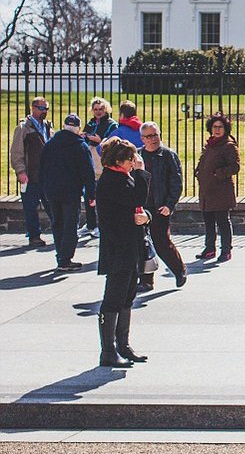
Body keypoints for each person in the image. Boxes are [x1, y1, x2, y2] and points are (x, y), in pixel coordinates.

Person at [96, 137, 151, 368]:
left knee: (127, 297)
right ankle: (108, 351)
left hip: (130, 246)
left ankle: (123, 345)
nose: (134, 161)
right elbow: (137, 198)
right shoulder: (111, 180)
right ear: (118, 160)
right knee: (113, 299)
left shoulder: (123, 178)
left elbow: (139, 206)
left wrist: (147, 216)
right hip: (118, 248)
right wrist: (141, 173)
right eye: (130, 158)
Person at [39, 113, 96, 272]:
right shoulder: (80, 146)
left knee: (57, 223)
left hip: (52, 190)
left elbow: (42, 168)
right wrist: (91, 194)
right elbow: (88, 173)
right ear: (78, 128)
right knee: (70, 225)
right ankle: (65, 259)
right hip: (71, 192)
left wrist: (44, 189)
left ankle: (61, 255)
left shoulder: (50, 144)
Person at [138, 121, 186, 291]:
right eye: (149, 136)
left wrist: (169, 205)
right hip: (142, 207)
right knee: (142, 244)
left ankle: (179, 270)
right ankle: (146, 280)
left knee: (161, 242)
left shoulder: (168, 155)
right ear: (142, 139)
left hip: (160, 207)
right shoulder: (138, 155)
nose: (153, 139)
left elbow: (176, 182)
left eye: (155, 135)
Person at [194, 112, 240, 263]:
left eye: (220, 127)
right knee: (208, 221)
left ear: (225, 129)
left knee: (222, 221)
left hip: (221, 191)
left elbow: (235, 167)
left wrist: (218, 173)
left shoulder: (228, 146)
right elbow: (203, 161)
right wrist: (198, 172)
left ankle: (226, 250)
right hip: (207, 190)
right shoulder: (210, 144)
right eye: (214, 127)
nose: (217, 130)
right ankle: (209, 249)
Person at [9, 96, 53, 247]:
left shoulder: (47, 126)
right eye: (41, 108)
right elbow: (16, 152)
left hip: (47, 175)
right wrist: (21, 171)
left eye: (46, 108)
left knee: (52, 205)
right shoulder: (23, 128)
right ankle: (34, 236)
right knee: (30, 208)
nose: (44, 111)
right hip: (30, 175)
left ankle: (59, 232)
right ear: (33, 108)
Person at [79, 97, 118, 240]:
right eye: (95, 109)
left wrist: (99, 140)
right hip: (90, 161)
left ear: (106, 109)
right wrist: (84, 136)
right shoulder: (90, 123)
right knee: (88, 194)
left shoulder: (111, 124)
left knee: (102, 195)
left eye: (101, 109)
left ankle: (101, 225)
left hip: (102, 161)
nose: (98, 112)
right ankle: (90, 224)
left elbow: (113, 143)